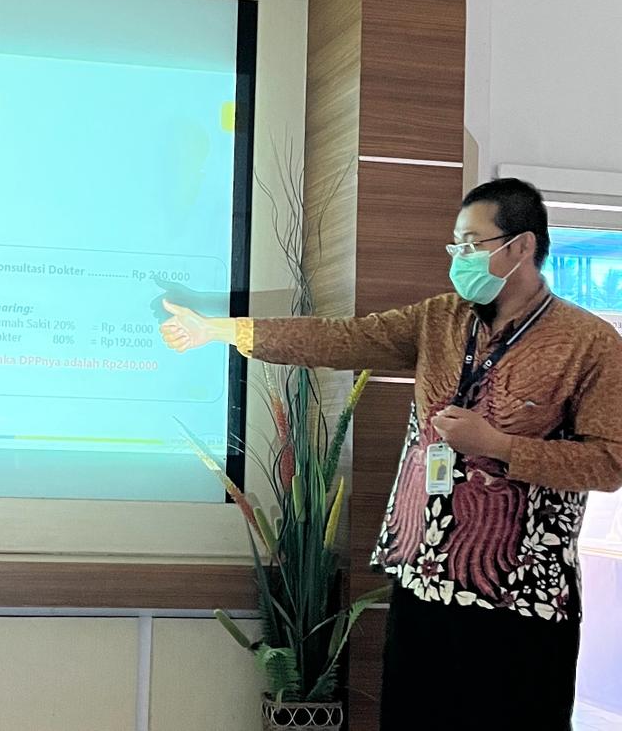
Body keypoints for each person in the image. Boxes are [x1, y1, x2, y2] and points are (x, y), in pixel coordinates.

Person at [160, 178, 622, 731]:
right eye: (456, 245)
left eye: (472, 244)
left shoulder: (590, 344)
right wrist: (222, 330)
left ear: (521, 246)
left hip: (520, 599)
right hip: (423, 580)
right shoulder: (439, 320)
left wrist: (499, 446)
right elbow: (343, 339)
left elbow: (609, 464)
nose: (460, 258)